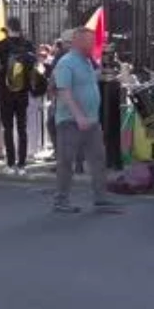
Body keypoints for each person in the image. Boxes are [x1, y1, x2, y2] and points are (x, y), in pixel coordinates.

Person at [51, 28, 118, 214]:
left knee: (98, 159)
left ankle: (101, 198)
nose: (94, 45)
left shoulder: (88, 61)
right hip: (70, 121)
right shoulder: (66, 63)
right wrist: (79, 115)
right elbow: (64, 91)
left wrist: (105, 73)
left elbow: (88, 82)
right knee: (66, 161)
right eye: (91, 41)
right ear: (79, 42)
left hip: (91, 121)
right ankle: (61, 200)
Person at [0, 17, 36, 176]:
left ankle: (10, 163)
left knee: (8, 128)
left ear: (8, 28)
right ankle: (22, 164)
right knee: (22, 128)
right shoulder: (29, 45)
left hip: (6, 91)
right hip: (23, 91)